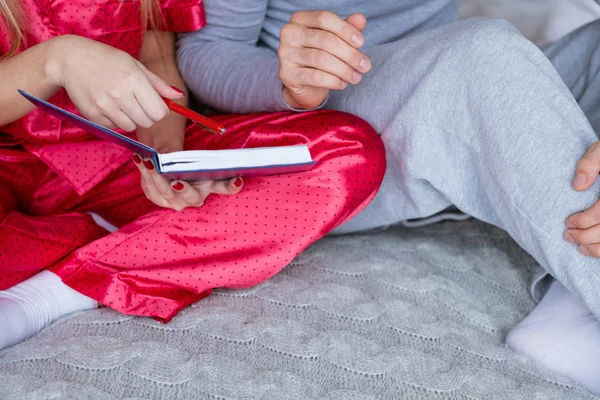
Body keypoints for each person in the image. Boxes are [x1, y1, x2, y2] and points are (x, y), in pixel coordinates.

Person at [177, 0, 600, 394]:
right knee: (480, 54)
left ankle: (572, 304)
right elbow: (209, 49)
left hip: (442, 88)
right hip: (321, 136)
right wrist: (289, 83)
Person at [0, 0, 385, 350]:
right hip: (12, 167)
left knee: (346, 152)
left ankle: (56, 288)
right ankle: (133, 242)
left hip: (123, 163)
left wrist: (166, 158)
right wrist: (56, 60)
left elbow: (159, 66)